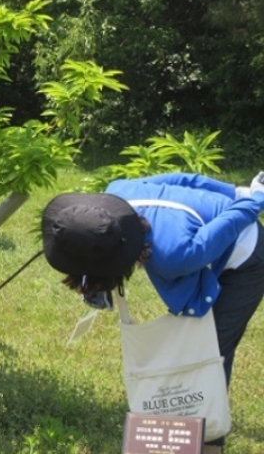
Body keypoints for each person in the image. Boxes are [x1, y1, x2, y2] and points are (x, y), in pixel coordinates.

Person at [40, 173, 264, 454]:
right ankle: (190, 433)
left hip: (246, 256)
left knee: (209, 354)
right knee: (194, 348)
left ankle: (207, 444)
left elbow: (228, 223)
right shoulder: (117, 191)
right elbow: (187, 180)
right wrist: (234, 191)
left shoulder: (175, 256)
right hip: (208, 234)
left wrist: (253, 197)